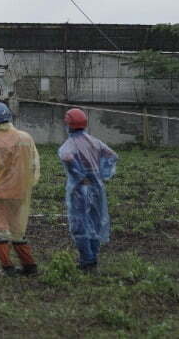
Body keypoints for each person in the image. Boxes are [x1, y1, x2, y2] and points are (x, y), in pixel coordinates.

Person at [0, 102, 40, 276]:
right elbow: (33, 165)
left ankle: (7, 267)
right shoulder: (26, 138)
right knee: (18, 230)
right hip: (20, 193)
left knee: (0, 231)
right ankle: (29, 265)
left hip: (0, 194)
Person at [58, 108, 118, 273]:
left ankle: (87, 260)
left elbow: (66, 156)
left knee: (79, 224)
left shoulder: (70, 144)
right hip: (96, 187)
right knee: (95, 221)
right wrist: (103, 175)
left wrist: (79, 174)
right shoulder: (94, 142)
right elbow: (112, 155)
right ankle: (93, 258)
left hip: (79, 189)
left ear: (69, 124)